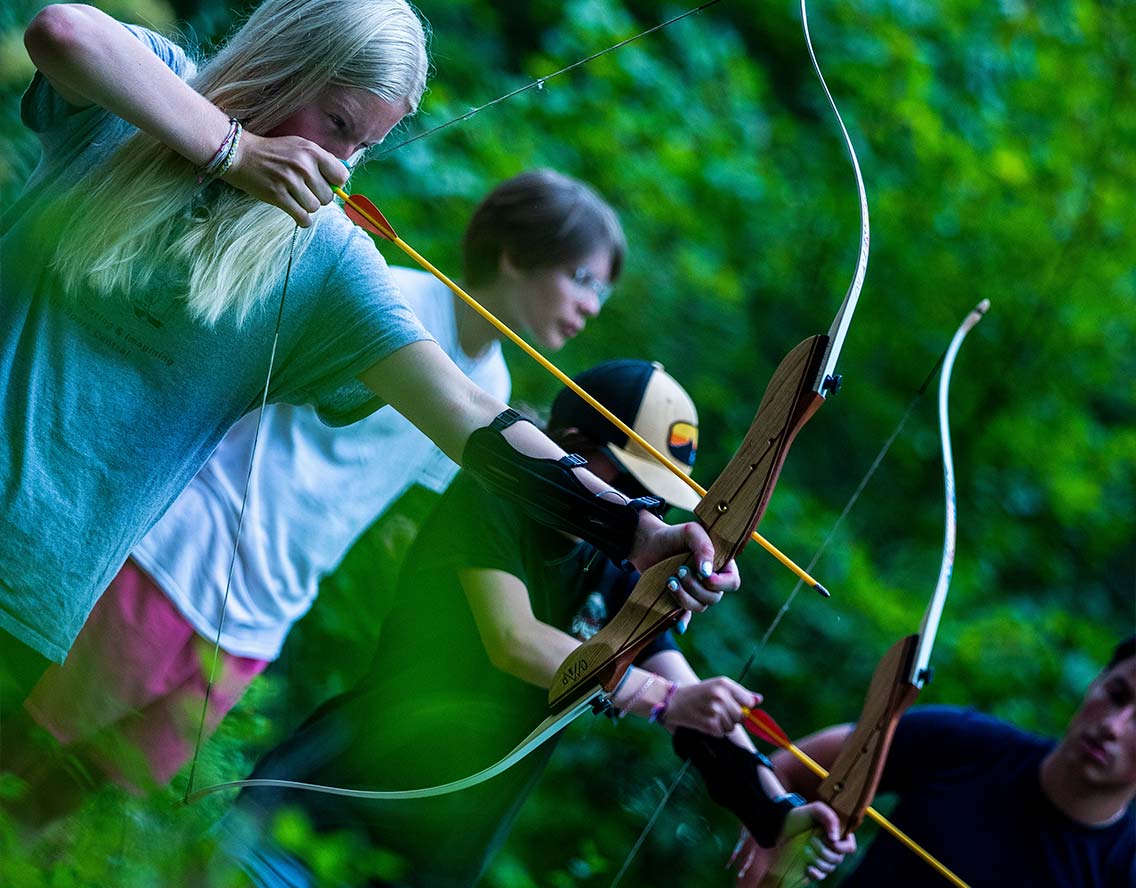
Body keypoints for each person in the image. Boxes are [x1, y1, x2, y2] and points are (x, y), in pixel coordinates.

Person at [1, 1, 731, 744]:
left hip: (31, 593)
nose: (342, 164)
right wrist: (236, 152)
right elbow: (61, 33)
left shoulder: (323, 261)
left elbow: (466, 410)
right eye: (339, 123)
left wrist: (635, 530)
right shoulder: (147, 99)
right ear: (288, 67)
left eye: (365, 146)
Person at [13, 168, 626, 807]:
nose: (589, 306)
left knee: (87, 802)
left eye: (601, 295)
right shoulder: (389, 299)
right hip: (175, 565)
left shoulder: (492, 386)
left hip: (259, 624)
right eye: (581, 279)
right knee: (24, 750)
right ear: (515, 254)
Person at [218, 360, 856, 888]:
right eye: (636, 485)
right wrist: (661, 699)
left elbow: (692, 699)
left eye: (663, 498)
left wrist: (775, 810)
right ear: (573, 448)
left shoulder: (616, 570)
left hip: (437, 861)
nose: (652, 510)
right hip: (324, 809)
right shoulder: (493, 495)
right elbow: (514, 639)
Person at [734, 635, 1136, 887]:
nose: (1114, 727)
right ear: (1096, 681)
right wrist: (767, 865)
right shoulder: (961, 741)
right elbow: (788, 770)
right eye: (1116, 694)